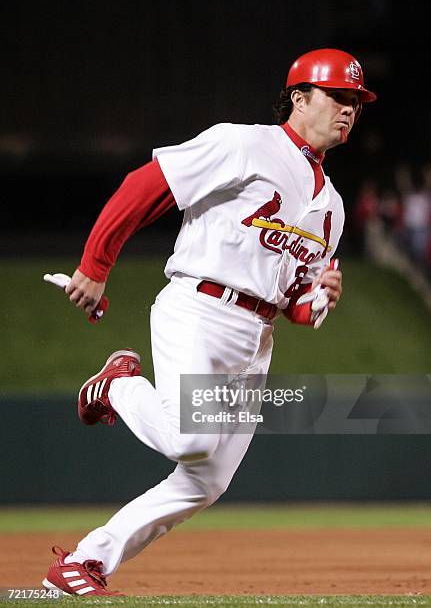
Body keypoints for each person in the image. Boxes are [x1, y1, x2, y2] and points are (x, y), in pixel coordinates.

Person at [42, 48, 376, 596]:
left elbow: (294, 300)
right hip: (199, 309)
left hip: (256, 338)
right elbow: (146, 186)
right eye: (337, 96)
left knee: (207, 480)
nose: (348, 110)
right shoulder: (243, 143)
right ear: (298, 97)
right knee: (191, 439)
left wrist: (318, 300)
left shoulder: (333, 207)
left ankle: (86, 563)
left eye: (356, 102)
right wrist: (95, 266)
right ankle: (118, 385)